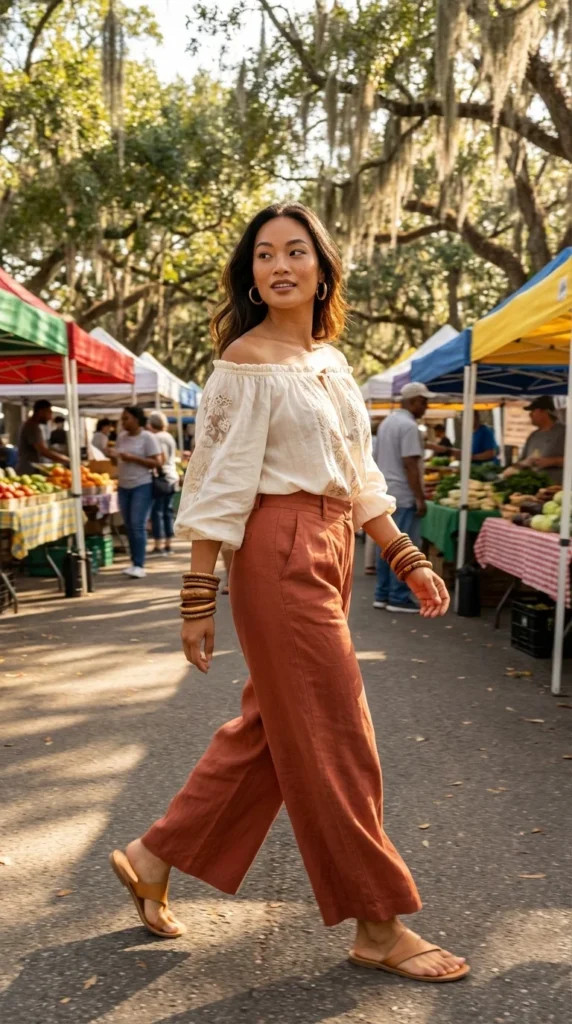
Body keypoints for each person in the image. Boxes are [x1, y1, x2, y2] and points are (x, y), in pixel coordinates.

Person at [109, 203, 468, 984]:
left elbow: (360, 476)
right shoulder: (245, 360)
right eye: (264, 254)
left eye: (295, 251)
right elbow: (217, 487)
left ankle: (151, 855)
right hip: (278, 550)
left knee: (274, 730)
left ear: (321, 267)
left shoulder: (329, 362)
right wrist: (197, 599)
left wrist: (403, 555)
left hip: (334, 544)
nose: (279, 264)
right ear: (251, 274)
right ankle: (378, 921)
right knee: (338, 733)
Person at [373, 382, 430, 614]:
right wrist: (420, 498)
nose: (426, 407)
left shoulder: (387, 423)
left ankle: (383, 593)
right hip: (403, 494)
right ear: (414, 401)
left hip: (386, 491)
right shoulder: (408, 426)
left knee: (387, 546)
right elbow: (410, 464)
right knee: (404, 547)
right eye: (424, 402)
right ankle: (398, 596)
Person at [111, 407, 161, 579]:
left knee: (137, 524)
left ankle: (139, 564)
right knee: (129, 526)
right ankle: (134, 562)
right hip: (123, 486)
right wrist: (112, 455)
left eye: (126, 419)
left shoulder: (148, 437)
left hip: (142, 485)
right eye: (122, 419)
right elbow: (117, 459)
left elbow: (157, 462)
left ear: (136, 419)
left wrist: (133, 458)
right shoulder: (121, 437)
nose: (122, 422)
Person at [506, 396, 565, 484]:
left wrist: (553, 461)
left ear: (544, 412)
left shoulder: (565, 433)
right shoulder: (533, 435)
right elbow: (523, 460)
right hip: (536, 488)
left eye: (533, 411)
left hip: (558, 489)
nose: (530, 415)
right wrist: (517, 466)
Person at [148, 412, 179, 556]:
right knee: (167, 512)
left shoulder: (156, 437)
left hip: (162, 478)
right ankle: (168, 544)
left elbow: (162, 457)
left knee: (158, 512)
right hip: (172, 476)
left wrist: (157, 468)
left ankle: (158, 545)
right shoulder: (169, 437)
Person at [16, 400, 70, 475]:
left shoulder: (32, 425)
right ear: (41, 412)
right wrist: (65, 459)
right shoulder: (31, 427)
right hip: (29, 470)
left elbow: (44, 448)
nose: (50, 417)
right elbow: (42, 450)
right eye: (49, 412)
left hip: (31, 468)